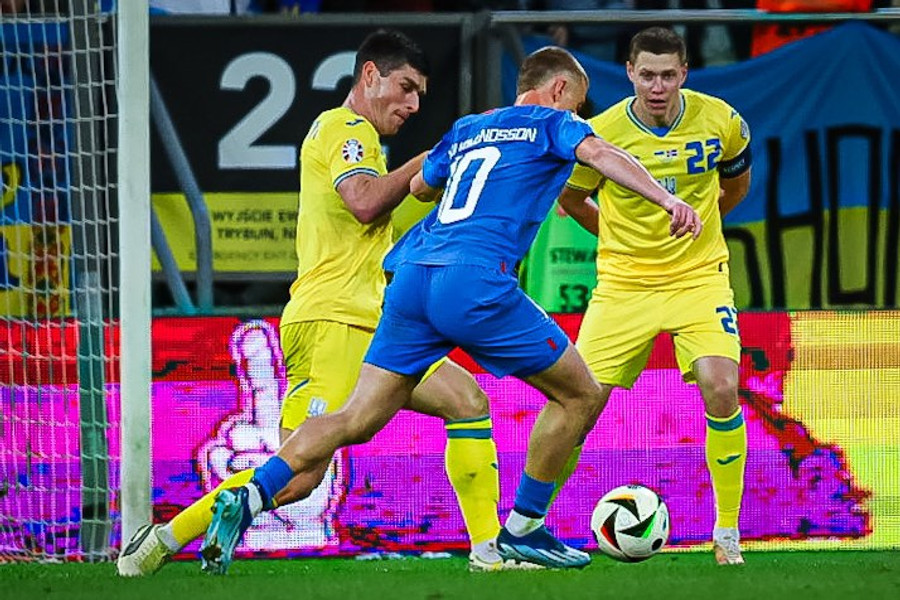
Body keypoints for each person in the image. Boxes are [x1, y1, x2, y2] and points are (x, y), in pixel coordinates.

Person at [197, 45, 702, 572]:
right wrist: (667, 200)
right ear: (558, 90)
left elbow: (420, 186)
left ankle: (250, 495)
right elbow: (600, 154)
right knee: (581, 393)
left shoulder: (468, 129)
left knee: (355, 419)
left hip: (411, 279)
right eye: (575, 104)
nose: (577, 115)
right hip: (474, 280)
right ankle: (524, 527)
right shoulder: (553, 124)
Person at [118, 29, 508, 576]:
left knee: (466, 401)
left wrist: (440, 177)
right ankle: (161, 539)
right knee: (300, 473)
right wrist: (432, 157)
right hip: (334, 320)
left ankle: (489, 552)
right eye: (405, 87)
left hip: (372, 321)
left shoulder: (365, 147)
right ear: (369, 76)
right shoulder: (345, 129)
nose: (413, 104)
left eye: (420, 94)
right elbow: (365, 202)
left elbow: (381, 216)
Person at [555, 26, 752, 565]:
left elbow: (735, 185)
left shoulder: (722, 121)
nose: (657, 86)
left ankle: (727, 534)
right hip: (624, 286)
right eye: (647, 75)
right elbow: (571, 199)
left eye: (668, 75)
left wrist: (702, 227)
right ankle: (529, 527)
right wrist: (618, 239)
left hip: (698, 278)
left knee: (721, 386)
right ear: (629, 73)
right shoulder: (601, 133)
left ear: (684, 72)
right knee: (577, 406)